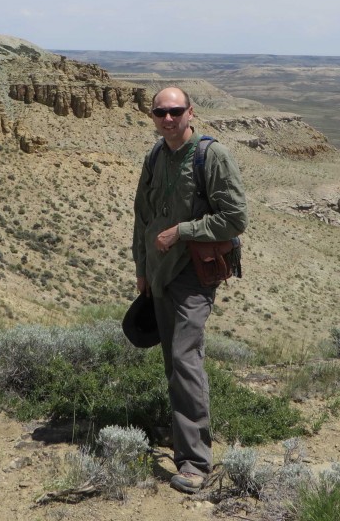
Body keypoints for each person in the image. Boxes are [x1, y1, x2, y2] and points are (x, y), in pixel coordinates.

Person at [132, 86, 248, 494]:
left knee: (184, 359)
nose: (168, 119)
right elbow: (142, 216)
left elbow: (235, 219)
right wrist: (142, 268)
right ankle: (185, 436)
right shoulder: (156, 155)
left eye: (175, 111)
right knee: (172, 361)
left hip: (193, 274)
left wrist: (184, 231)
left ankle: (195, 462)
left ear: (190, 112)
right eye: (160, 112)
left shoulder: (210, 156)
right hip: (160, 273)